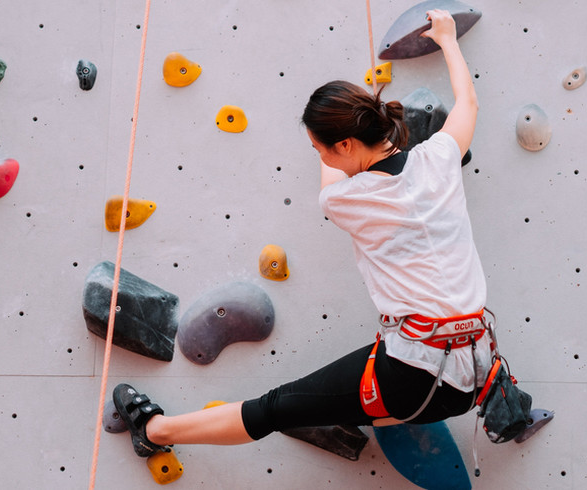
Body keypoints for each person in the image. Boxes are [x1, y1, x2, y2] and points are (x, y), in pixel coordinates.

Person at [112, 8, 491, 457]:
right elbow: (468, 104)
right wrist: (447, 39)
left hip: (415, 379)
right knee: (343, 396)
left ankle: (153, 433)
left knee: (273, 408)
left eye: (319, 147)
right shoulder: (440, 159)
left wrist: (334, 139)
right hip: (476, 368)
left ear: (345, 144)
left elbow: (334, 176)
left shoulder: (346, 200)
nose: (320, 156)